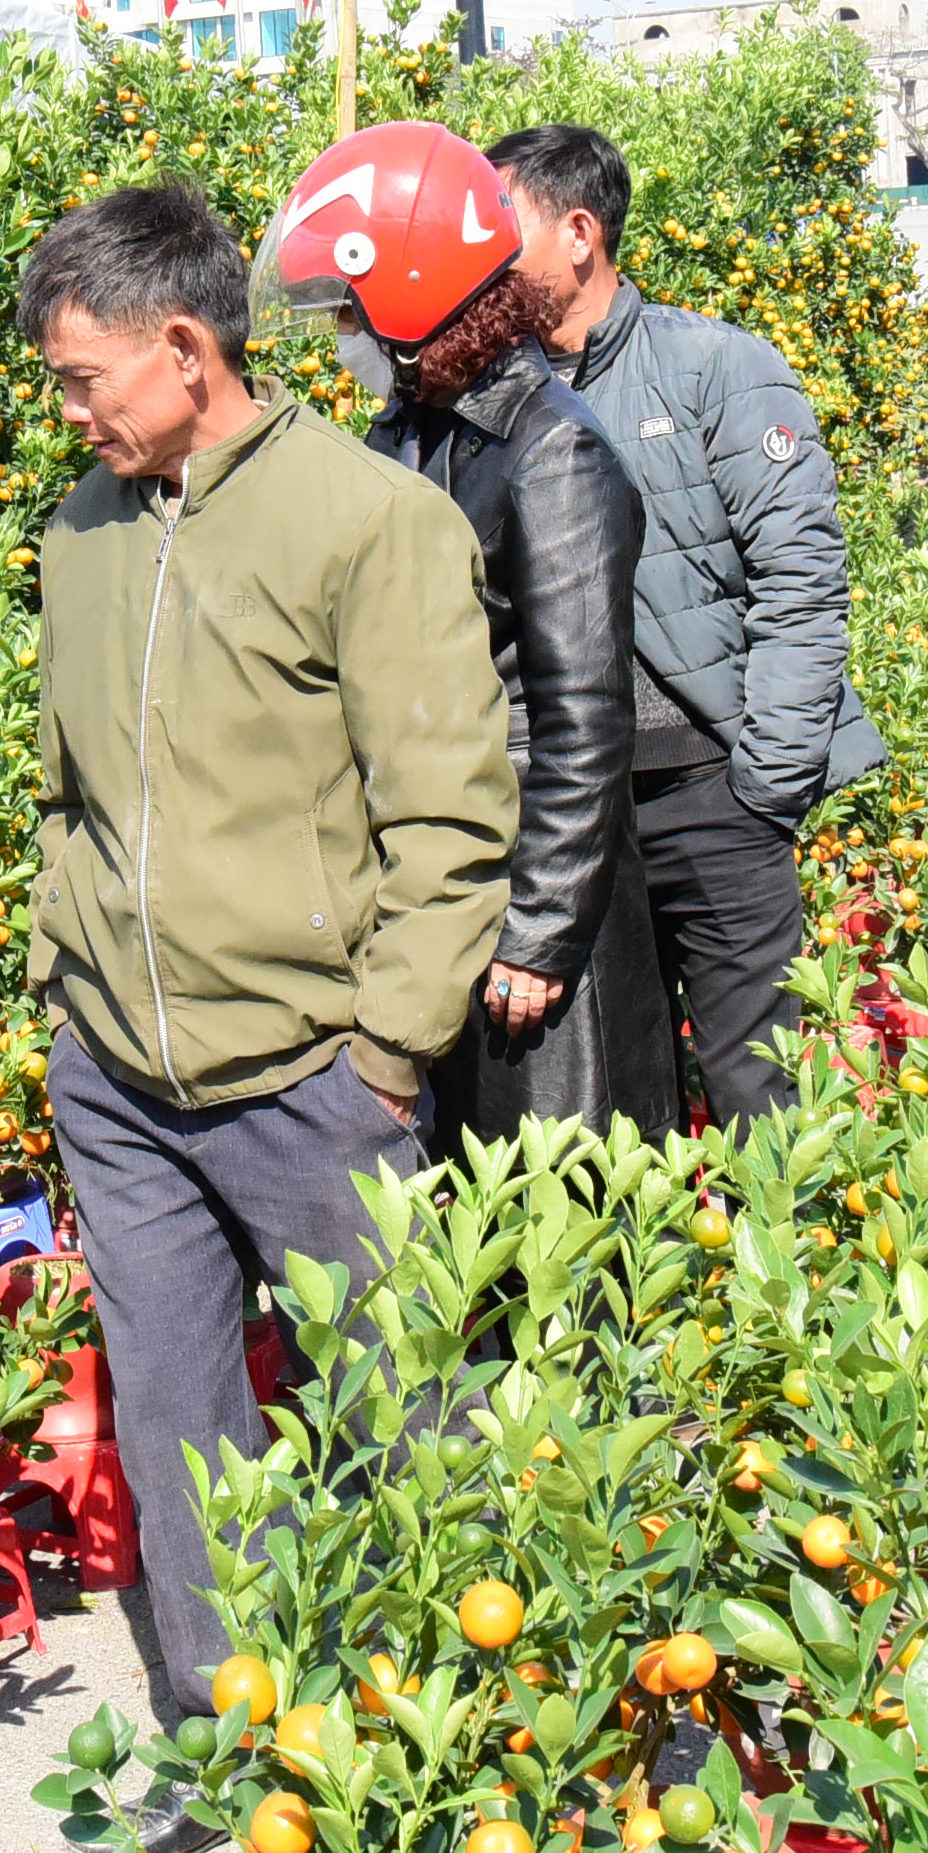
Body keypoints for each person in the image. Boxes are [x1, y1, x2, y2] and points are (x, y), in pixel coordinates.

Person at [15, 179, 514, 1739]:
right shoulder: (82, 535)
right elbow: (66, 790)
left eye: (85, 379)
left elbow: (450, 812)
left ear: (183, 346)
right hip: (120, 1073)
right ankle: (234, 1727)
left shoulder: (369, 522)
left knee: (399, 1404)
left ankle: (455, 1719)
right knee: (176, 1419)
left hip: (312, 1074)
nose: (73, 413)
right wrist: (66, 986)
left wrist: (385, 1054)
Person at [271, 122, 675, 1146]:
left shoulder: (551, 457)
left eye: (350, 313)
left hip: (534, 908)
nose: (342, 338)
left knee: (558, 1245)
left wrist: (538, 936)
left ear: (408, 293)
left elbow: (583, 724)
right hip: (439, 878)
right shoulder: (412, 429)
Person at [490, 123, 886, 1127]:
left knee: (762, 1093)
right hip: (574, 815)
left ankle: (780, 1284)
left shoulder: (716, 366)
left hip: (715, 795)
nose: (485, 255)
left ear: (579, 232)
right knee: (616, 1099)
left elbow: (801, 578)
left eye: (506, 227)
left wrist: (766, 782)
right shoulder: (499, 395)